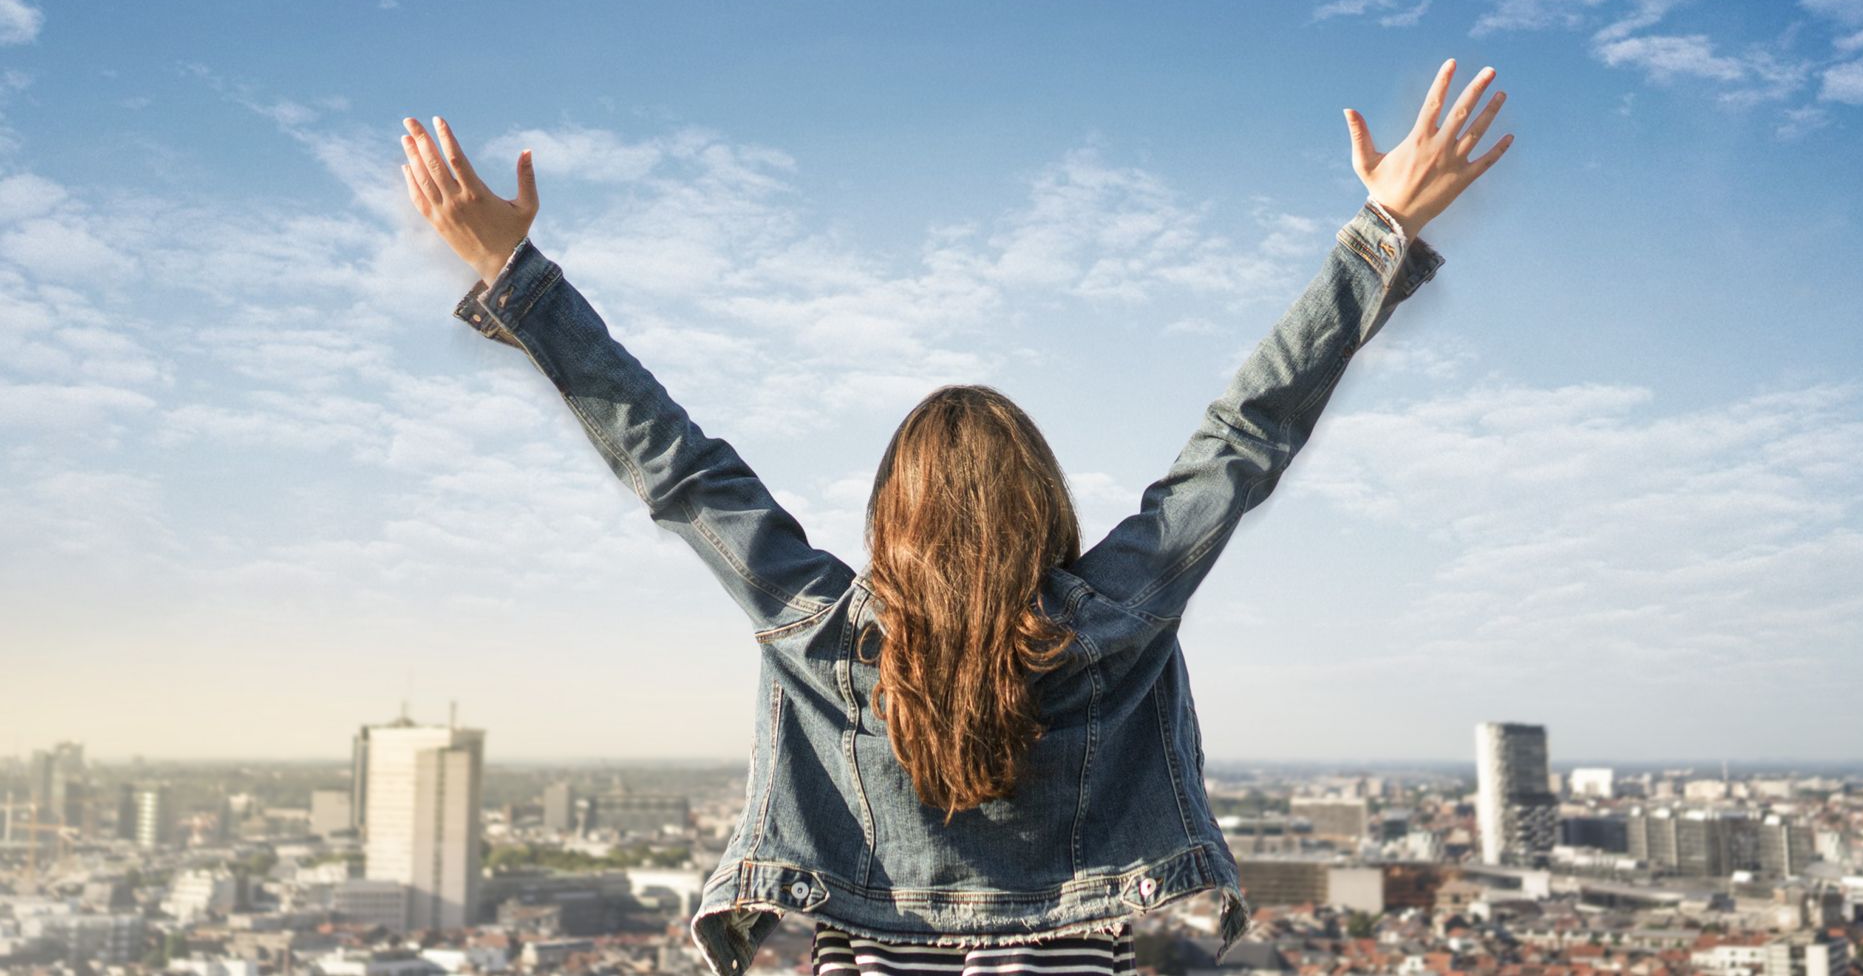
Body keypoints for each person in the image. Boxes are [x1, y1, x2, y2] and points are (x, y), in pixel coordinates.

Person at [401, 57, 1511, 976]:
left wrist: (513, 271)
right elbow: (1245, 437)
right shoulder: (1113, 618)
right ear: (1040, 503)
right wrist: (1381, 227)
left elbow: (677, 466)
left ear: (894, 514)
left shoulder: (822, 628)